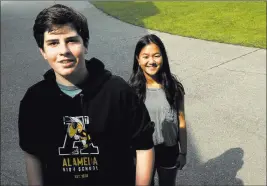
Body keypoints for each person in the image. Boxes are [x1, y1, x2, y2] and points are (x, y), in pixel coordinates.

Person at [18, 4, 155, 186]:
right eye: (53, 43)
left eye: (71, 40)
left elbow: (144, 146)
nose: (63, 51)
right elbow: (32, 153)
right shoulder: (35, 100)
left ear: (86, 44)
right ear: (43, 52)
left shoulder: (118, 91)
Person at [129, 34, 187, 186]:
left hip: (169, 149)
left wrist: (183, 152)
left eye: (156, 55)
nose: (151, 61)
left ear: (163, 57)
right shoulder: (132, 91)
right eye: (145, 56)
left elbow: (181, 120)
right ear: (138, 59)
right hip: (142, 151)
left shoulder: (174, 87)